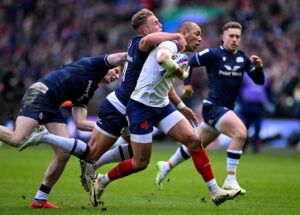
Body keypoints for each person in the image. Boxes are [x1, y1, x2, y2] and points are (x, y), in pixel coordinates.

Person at [18, 8, 189, 193]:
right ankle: (44, 137)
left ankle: (90, 167)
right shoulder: (141, 42)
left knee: (135, 153)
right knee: (97, 154)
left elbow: (161, 81)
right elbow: (136, 49)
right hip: (121, 106)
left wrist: (180, 104)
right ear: (145, 30)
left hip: (132, 107)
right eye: (156, 22)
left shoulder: (148, 49)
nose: (160, 24)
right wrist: (177, 36)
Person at [88, 21, 241, 207]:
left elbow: (165, 85)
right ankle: (102, 180)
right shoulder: (171, 45)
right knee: (140, 162)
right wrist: (180, 73)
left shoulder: (181, 53)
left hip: (161, 106)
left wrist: (181, 106)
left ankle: (215, 191)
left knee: (193, 140)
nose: (200, 38)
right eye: (197, 33)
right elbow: (162, 58)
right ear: (183, 33)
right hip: (141, 107)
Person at [0, 52, 127, 208]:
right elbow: (122, 56)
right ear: (109, 66)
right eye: (115, 71)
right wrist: (141, 52)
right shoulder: (96, 64)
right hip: (41, 94)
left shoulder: (90, 89)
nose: (116, 76)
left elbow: (80, 122)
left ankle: (40, 200)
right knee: (17, 139)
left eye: (118, 76)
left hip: (52, 105)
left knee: (64, 152)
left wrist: (108, 126)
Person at [155, 21, 265, 194]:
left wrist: (259, 68)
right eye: (231, 36)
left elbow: (259, 81)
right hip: (213, 106)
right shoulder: (212, 54)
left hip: (225, 109)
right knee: (241, 133)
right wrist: (187, 85)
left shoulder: (243, 58)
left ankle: (166, 166)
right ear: (222, 37)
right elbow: (188, 62)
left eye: (238, 36)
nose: (235, 39)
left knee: (195, 145)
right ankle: (230, 179)